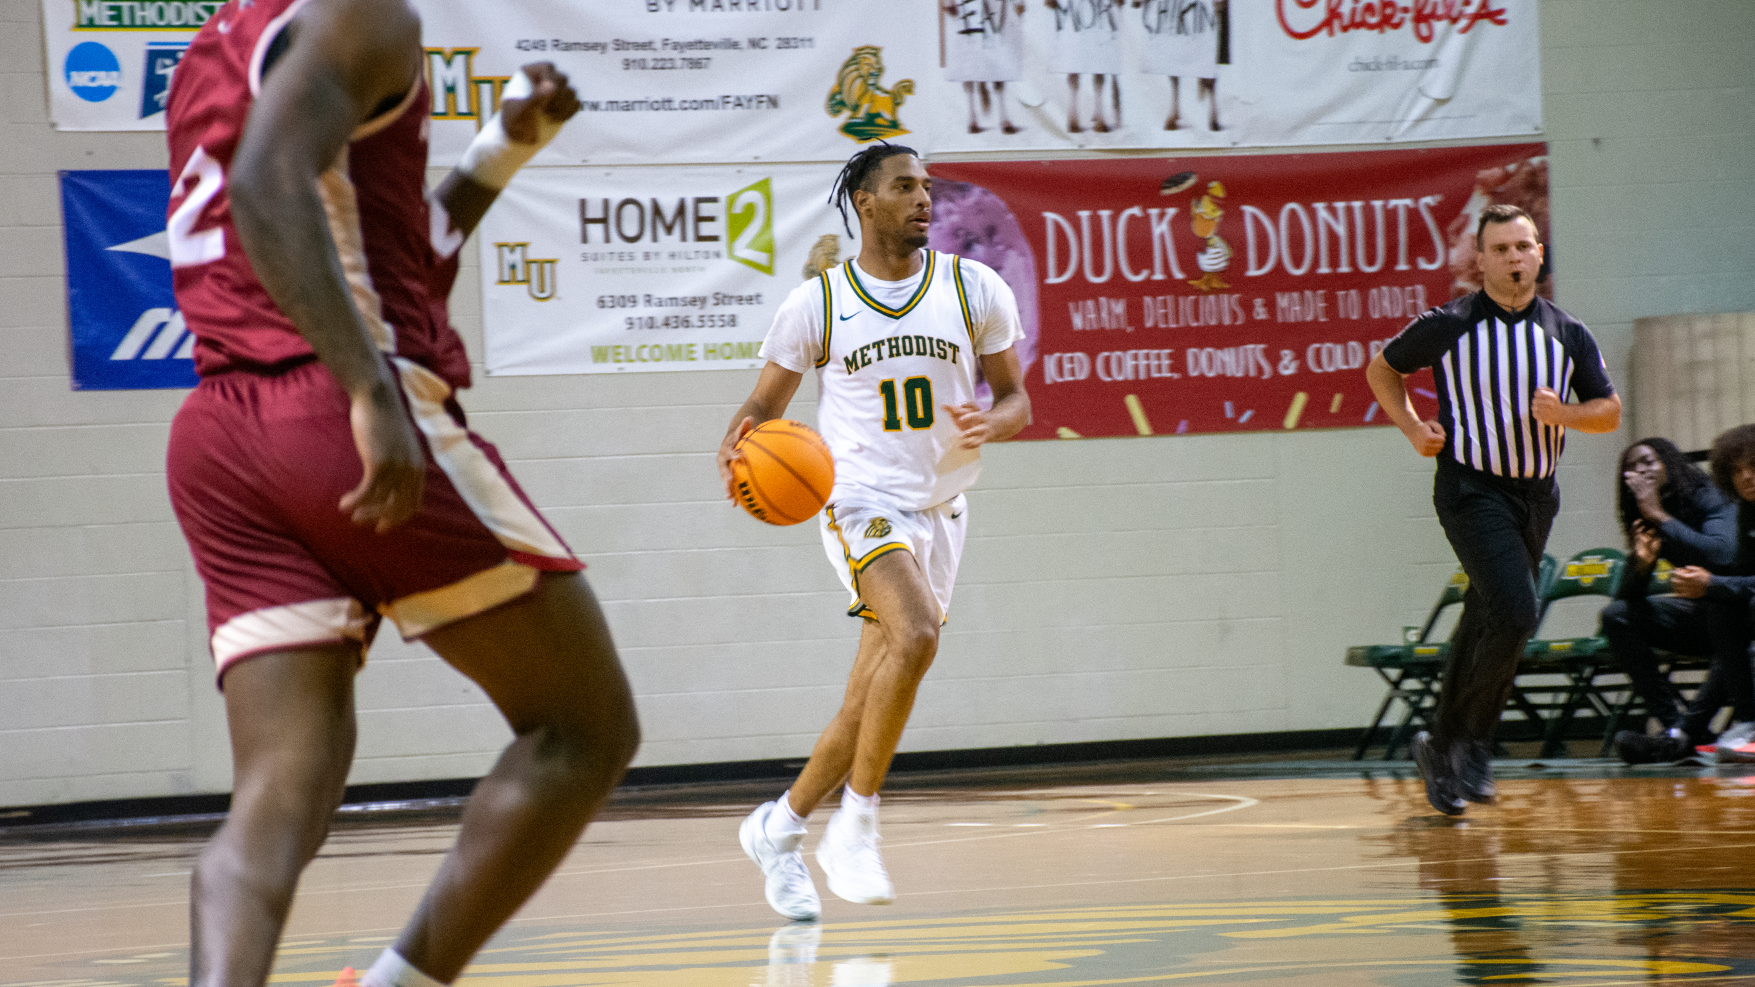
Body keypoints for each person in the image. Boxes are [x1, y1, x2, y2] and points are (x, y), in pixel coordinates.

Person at [163, 2, 639, 986]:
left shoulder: (215, 47)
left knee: (276, 799)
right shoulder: (363, 12)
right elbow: (265, 186)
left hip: (220, 440)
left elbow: (382, 248)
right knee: (585, 728)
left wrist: (504, 150)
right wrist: (367, 390)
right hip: (334, 408)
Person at [717, 144, 1030, 921]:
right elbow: (761, 411)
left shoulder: (973, 289)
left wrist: (989, 421)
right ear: (864, 201)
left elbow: (1017, 399)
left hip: (943, 506)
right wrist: (737, 452)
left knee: (868, 696)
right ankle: (855, 821)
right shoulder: (818, 304)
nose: (924, 199)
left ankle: (779, 827)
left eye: (926, 188)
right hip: (858, 501)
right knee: (917, 633)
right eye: (904, 187)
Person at [1365, 203, 1621, 816]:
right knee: (1515, 609)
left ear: (1539, 254)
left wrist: (1566, 415)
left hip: (1536, 495)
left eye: (1523, 247)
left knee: (1487, 618)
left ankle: (1445, 743)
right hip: (1470, 488)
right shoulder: (1449, 323)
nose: (1514, 258)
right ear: (1479, 259)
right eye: (1501, 248)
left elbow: (1607, 411)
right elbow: (1382, 370)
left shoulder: (1567, 333)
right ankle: (1472, 741)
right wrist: (1409, 428)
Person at [1602, 438, 1744, 763]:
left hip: (1740, 610)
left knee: (1730, 621)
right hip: (1703, 617)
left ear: (1668, 463)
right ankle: (1676, 727)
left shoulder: (1707, 493)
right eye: (1632, 467)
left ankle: (1685, 734)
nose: (1641, 470)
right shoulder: (1651, 513)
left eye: (1649, 461)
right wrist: (1641, 564)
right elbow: (1627, 597)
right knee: (1617, 615)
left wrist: (1659, 514)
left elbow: (1721, 554)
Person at [943, 0, 1027, 134]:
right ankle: (974, 119)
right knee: (969, 60)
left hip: (988, 12)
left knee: (993, 59)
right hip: (968, 12)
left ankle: (1000, 118)